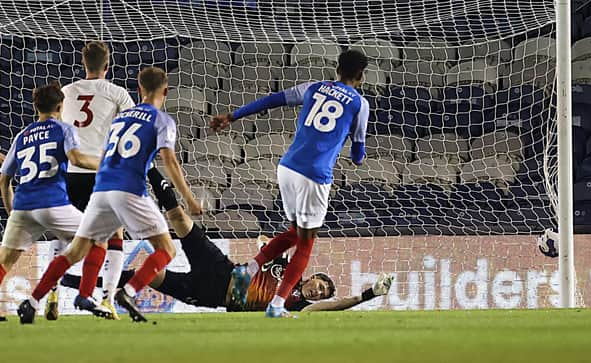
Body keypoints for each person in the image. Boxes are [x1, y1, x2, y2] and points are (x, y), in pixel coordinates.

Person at [18, 67, 203, 324]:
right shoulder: (161, 120)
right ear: (165, 90)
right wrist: (189, 198)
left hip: (101, 187)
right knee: (167, 249)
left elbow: (106, 155)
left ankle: (34, 301)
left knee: (77, 250)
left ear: (139, 89)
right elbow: (168, 159)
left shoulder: (121, 119)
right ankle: (125, 293)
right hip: (128, 189)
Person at [210, 49, 370, 317]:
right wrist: (355, 148)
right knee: (306, 244)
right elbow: (357, 156)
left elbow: (273, 100)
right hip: (315, 175)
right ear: (361, 76)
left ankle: (248, 269)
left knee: (295, 233)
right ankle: (277, 304)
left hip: (287, 167)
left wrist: (233, 116)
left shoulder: (312, 87)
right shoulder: (360, 104)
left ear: (338, 69)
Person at [46, 41, 177, 321]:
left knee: (66, 237)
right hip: (104, 175)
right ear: (108, 65)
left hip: (69, 173)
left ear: (84, 64)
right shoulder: (117, 93)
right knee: (111, 237)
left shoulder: (66, 92)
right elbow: (135, 125)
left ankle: (52, 292)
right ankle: (105, 299)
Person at [61, 207, 394, 313]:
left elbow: (334, 306)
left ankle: (72, 282)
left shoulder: (292, 304)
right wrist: (264, 250)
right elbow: (273, 242)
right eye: (319, 286)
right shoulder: (289, 269)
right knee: (188, 230)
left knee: (147, 277)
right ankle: (156, 185)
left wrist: (367, 295)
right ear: (311, 277)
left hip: (210, 297)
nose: (318, 293)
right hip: (222, 271)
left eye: (322, 293)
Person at [0, 82, 101, 322]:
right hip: (52, 203)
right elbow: (77, 159)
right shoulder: (64, 129)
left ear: (36, 106)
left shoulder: (22, 135)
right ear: (60, 105)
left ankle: (35, 301)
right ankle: (85, 294)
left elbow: (4, 178)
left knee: (5, 261)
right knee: (99, 237)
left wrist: (12, 210)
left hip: (23, 206)